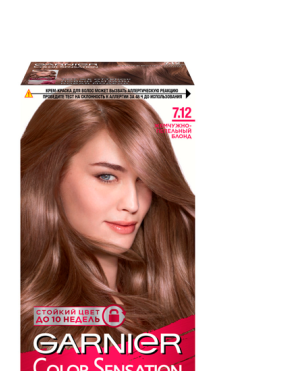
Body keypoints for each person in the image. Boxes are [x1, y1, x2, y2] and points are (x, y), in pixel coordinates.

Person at [21, 93, 195, 352]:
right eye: (106, 176)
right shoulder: (47, 324)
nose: (132, 204)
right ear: (52, 176)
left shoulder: (175, 292)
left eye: (143, 180)